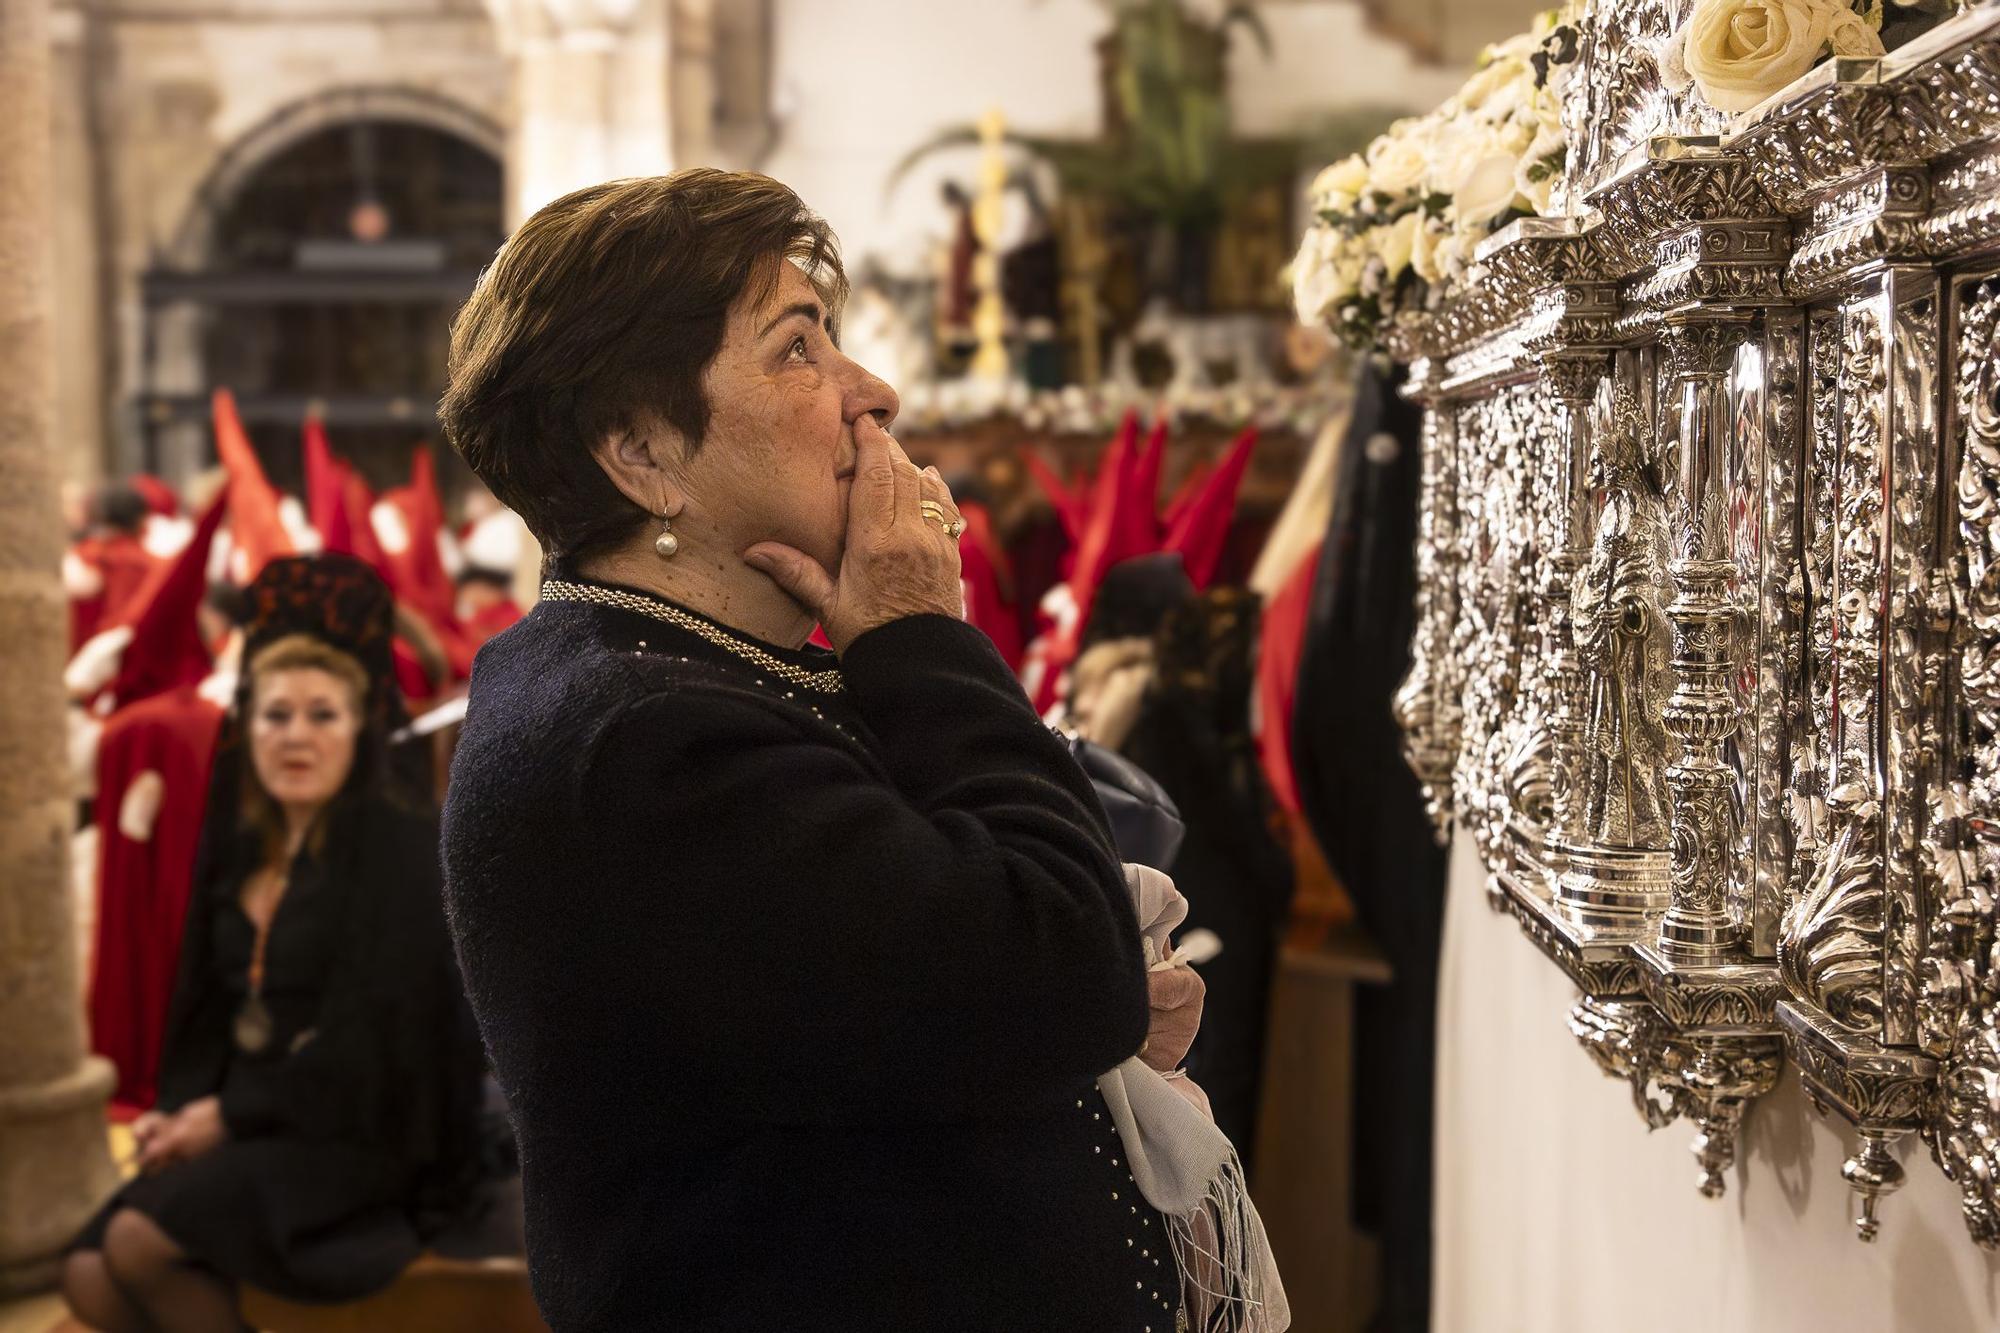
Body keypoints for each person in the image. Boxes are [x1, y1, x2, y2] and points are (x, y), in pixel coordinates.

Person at [438, 170, 1205, 1331]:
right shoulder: (639, 739)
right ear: (642, 451)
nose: (873, 393)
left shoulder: (691, 673)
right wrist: (916, 633)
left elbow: (925, 994)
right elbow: (1046, 968)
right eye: (797, 349)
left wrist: (1083, 1011)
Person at [63, 556, 483, 1333]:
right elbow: (204, 1007)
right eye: (275, 714)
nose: (296, 736)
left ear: (360, 730)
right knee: (89, 1273)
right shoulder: (243, 848)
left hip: (363, 1127)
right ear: (245, 727)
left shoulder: (396, 854)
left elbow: (379, 1040)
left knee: (137, 1244)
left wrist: (225, 1116)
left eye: (323, 715)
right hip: (260, 1119)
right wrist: (181, 1108)